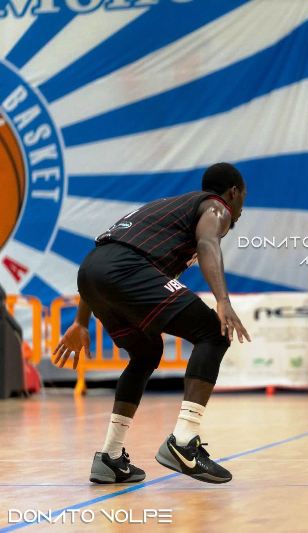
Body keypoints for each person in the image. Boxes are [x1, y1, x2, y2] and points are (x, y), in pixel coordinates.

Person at [52, 162, 251, 484]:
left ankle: (110, 457)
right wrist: (223, 301)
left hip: (91, 271)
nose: (241, 208)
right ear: (233, 193)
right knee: (214, 333)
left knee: (146, 353)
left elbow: (103, 262)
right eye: (243, 198)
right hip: (125, 269)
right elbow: (207, 243)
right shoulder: (217, 207)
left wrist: (80, 322)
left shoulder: (166, 211)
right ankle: (184, 442)